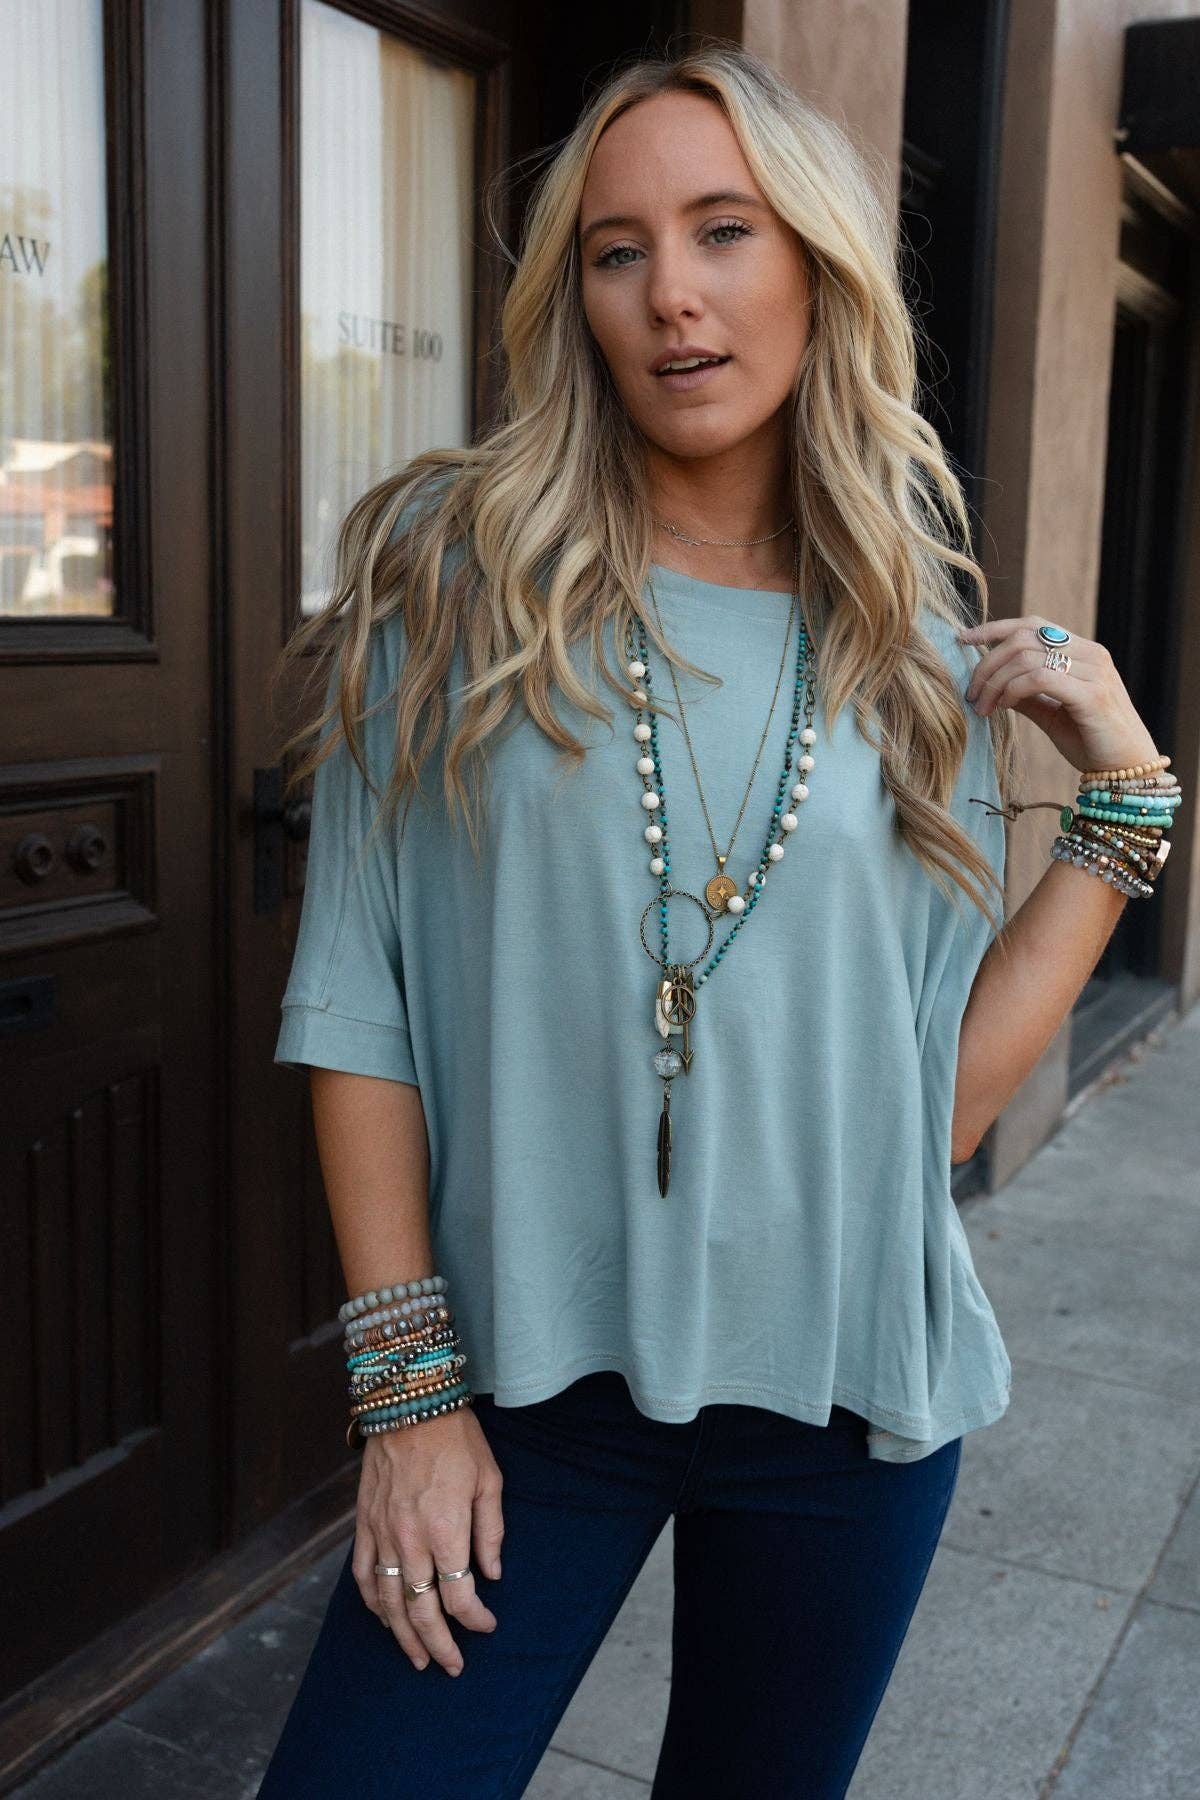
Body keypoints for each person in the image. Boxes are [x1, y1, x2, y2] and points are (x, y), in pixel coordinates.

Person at [257, 39, 1178, 1800]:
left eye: (724, 230)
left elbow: (938, 1111)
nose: (671, 293)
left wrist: (1125, 803)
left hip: (845, 1400)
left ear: (819, 268)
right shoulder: (455, 581)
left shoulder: (916, 656)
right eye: (618, 251)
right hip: (526, 1388)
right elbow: (358, 997)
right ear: (578, 300)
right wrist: (409, 1399)